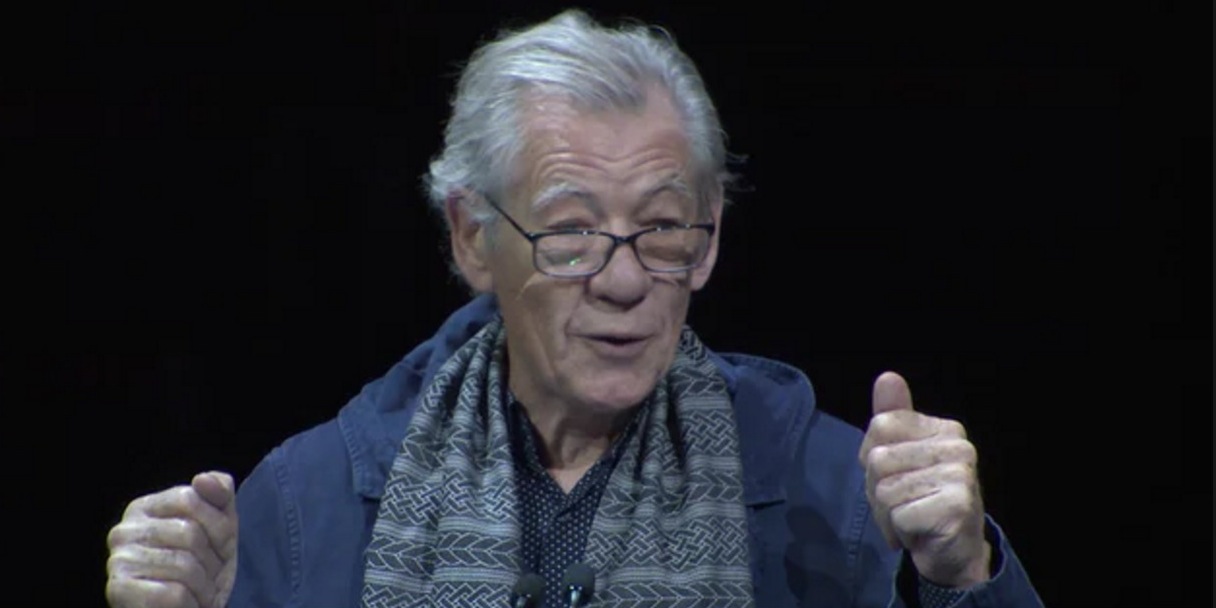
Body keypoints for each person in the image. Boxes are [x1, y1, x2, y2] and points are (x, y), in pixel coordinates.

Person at [105, 10, 1044, 608]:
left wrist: (962, 577)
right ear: (472, 237)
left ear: (710, 239)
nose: (624, 280)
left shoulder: (836, 491)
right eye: (571, 232)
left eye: (663, 228)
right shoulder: (306, 504)